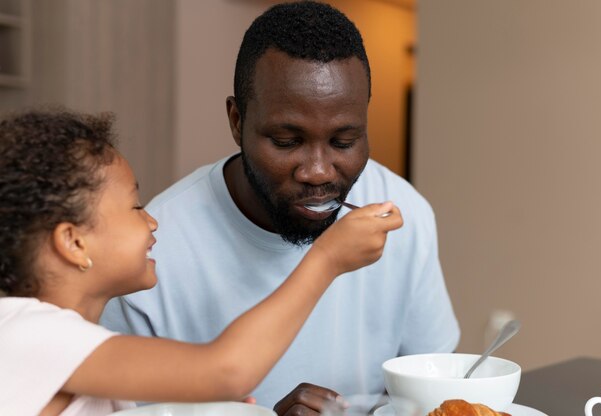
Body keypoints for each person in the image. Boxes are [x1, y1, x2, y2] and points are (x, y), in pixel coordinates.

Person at [102, 1, 460, 413]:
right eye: (287, 142)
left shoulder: (405, 215)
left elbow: (434, 388)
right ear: (237, 121)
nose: (319, 171)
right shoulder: (150, 248)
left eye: (344, 142)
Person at [0, 108, 402, 416]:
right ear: (73, 241)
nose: (152, 219)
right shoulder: (27, 335)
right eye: (135, 207)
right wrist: (327, 258)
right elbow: (226, 372)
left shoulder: (75, 349)